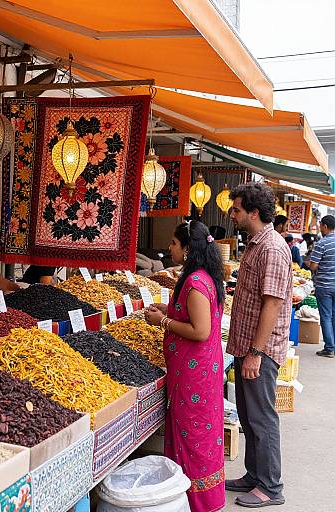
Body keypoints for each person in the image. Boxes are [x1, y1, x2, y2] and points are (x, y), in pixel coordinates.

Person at [145, 220, 225, 512]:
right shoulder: (204, 278)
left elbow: (201, 331)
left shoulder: (194, 283)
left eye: (174, 244)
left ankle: (194, 500)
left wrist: (163, 321)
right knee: (198, 431)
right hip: (199, 370)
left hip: (194, 375)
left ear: (188, 248)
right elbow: (193, 316)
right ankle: (198, 498)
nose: (169, 248)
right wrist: (169, 310)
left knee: (192, 433)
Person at [226, 182, 292, 508]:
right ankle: (254, 475)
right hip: (245, 346)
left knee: (262, 418)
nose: (232, 214)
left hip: (259, 351)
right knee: (248, 415)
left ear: (254, 212)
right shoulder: (256, 244)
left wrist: (255, 352)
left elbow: (273, 304)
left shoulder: (272, 248)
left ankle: (270, 487)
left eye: (236, 209)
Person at [309, 215, 335, 358]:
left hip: (324, 285)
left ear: (325, 226)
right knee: (334, 315)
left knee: (326, 316)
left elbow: (314, 266)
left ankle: (329, 348)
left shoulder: (322, 243)